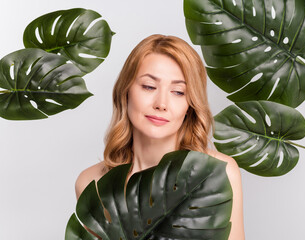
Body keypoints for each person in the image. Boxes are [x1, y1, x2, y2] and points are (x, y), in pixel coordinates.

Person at [75, 34, 245, 239]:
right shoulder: (91, 182)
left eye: (178, 92)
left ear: (190, 105)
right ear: (125, 91)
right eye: (149, 86)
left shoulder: (217, 172)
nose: (161, 103)